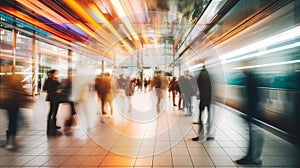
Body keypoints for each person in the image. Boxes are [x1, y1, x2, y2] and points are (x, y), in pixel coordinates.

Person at [235, 70, 263, 165]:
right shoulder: (251, 78)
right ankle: (252, 157)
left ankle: (253, 158)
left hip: (253, 113)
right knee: (253, 136)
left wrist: (248, 113)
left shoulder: (250, 79)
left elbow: (252, 98)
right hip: (252, 112)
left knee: (254, 136)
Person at [0, 75, 33, 149]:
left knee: (12, 121)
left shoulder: (5, 84)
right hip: (13, 104)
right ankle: (11, 139)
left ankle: (10, 140)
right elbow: (22, 92)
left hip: (8, 104)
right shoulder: (15, 84)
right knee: (13, 121)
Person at [192, 65, 212, 141]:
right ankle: (208, 135)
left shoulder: (200, 75)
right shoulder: (210, 76)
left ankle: (200, 135)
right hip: (209, 99)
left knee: (201, 116)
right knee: (209, 117)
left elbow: (197, 86)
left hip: (203, 98)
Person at [43, 69, 62, 135]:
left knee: (55, 110)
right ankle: (50, 125)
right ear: (52, 73)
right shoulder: (48, 80)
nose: (56, 74)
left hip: (57, 97)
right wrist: (55, 90)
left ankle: (54, 124)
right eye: (55, 73)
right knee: (52, 110)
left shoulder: (55, 79)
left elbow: (59, 85)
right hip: (52, 97)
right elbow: (45, 88)